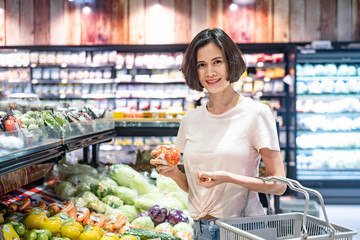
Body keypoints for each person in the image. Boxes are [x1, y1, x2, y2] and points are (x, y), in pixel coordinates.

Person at [150, 28, 286, 240]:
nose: (210, 72)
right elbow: (196, 190)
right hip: (201, 230)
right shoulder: (190, 120)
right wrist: (173, 173)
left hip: (242, 230)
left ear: (230, 63)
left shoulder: (256, 113)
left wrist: (228, 178)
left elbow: (279, 186)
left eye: (217, 62)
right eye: (201, 65)